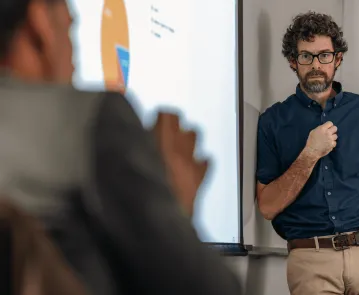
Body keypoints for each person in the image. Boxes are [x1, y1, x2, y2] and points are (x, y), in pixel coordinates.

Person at [0, 0, 241, 294]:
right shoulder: (91, 121)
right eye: (70, 26)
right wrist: (173, 198)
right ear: (41, 23)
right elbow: (206, 287)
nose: (75, 59)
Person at [256, 11, 359, 295]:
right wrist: (309, 154)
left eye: (324, 55)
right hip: (311, 259)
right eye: (306, 56)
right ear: (292, 61)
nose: (315, 65)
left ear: (337, 59)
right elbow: (267, 207)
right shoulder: (273, 121)